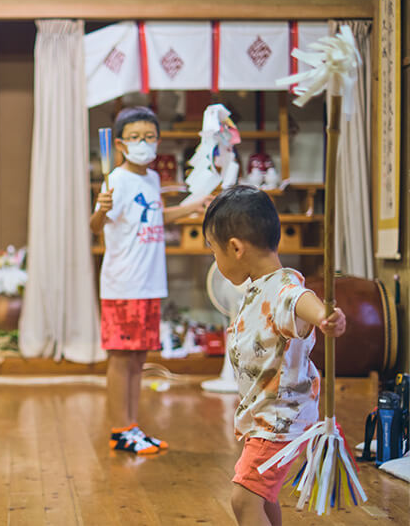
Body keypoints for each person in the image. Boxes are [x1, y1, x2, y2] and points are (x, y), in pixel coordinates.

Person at [202, 185, 346, 526]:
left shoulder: (281, 287)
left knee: (244, 498)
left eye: (213, 251)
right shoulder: (260, 286)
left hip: (281, 421)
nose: (215, 260)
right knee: (261, 496)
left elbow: (300, 300)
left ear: (235, 248)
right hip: (266, 418)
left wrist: (325, 316)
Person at [90, 106, 209, 455]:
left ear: (158, 140)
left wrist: (194, 205)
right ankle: (119, 429)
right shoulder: (116, 180)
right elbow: (95, 227)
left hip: (149, 283)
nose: (143, 143)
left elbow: (156, 215)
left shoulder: (152, 179)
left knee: (139, 359)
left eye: (149, 137)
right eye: (135, 138)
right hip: (123, 284)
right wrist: (99, 208)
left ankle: (132, 426)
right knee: (121, 359)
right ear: (121, 144)